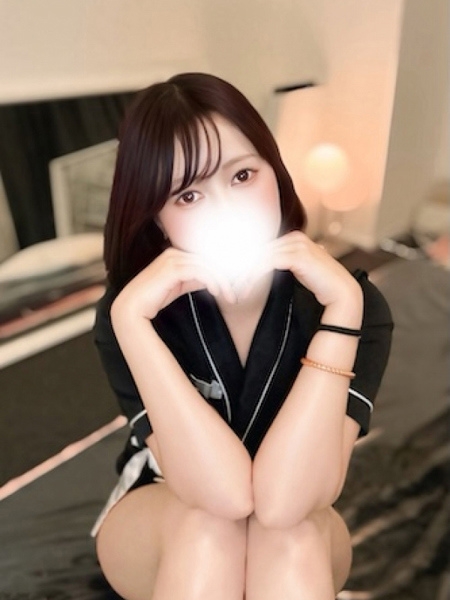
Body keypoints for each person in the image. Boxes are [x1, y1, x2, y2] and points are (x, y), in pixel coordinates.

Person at [91, 72, 393, 600]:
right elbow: (225, 498)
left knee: (291, 533)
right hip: (166, 508)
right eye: (188, 195)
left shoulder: (350, 301)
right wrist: (132, 323)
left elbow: (284, 504)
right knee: (210, 530)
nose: (226, 209)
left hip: (300, 519)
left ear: (275, 171)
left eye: (242, 175)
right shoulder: (134, 309)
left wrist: (343, 312)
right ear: (157, 219)